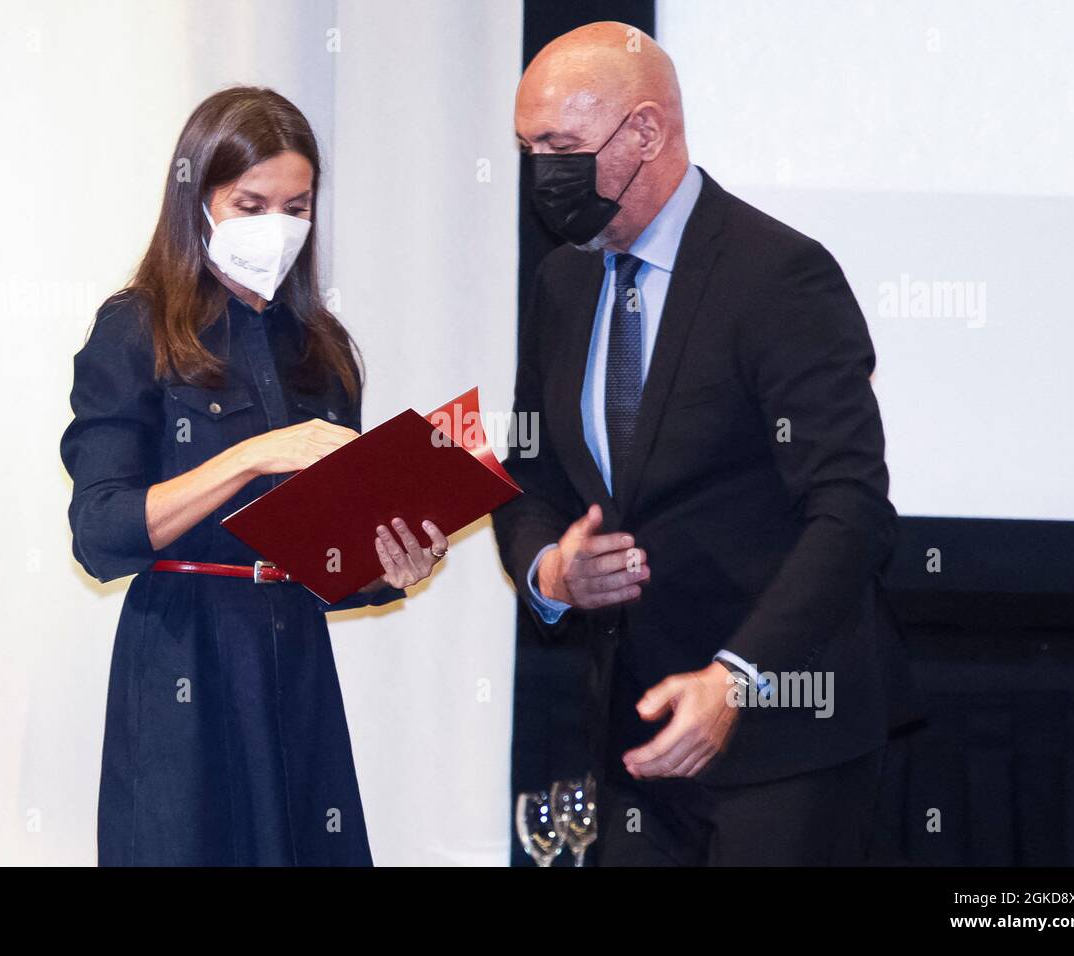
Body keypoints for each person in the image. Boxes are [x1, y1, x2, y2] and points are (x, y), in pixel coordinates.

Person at [493, 23, 920, 865]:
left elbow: (851, 511)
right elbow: (530, 474)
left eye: (562, 146)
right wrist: (551, 570)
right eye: (527, 148)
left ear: (646, 131)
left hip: (787, 742)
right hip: (632, 739)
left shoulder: (779, 277)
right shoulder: (563, 281)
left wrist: (735, 677)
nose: (543, 174)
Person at [60, 86, 449, 866]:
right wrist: (252, 454)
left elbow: (334, 556)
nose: (278, 228)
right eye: (251, 204)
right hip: (184, 658)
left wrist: (394, 564)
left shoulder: (322, 346)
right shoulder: (137, 328)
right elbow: (99, 529)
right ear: (197, 202)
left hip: (294, 660)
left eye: (297, 207)